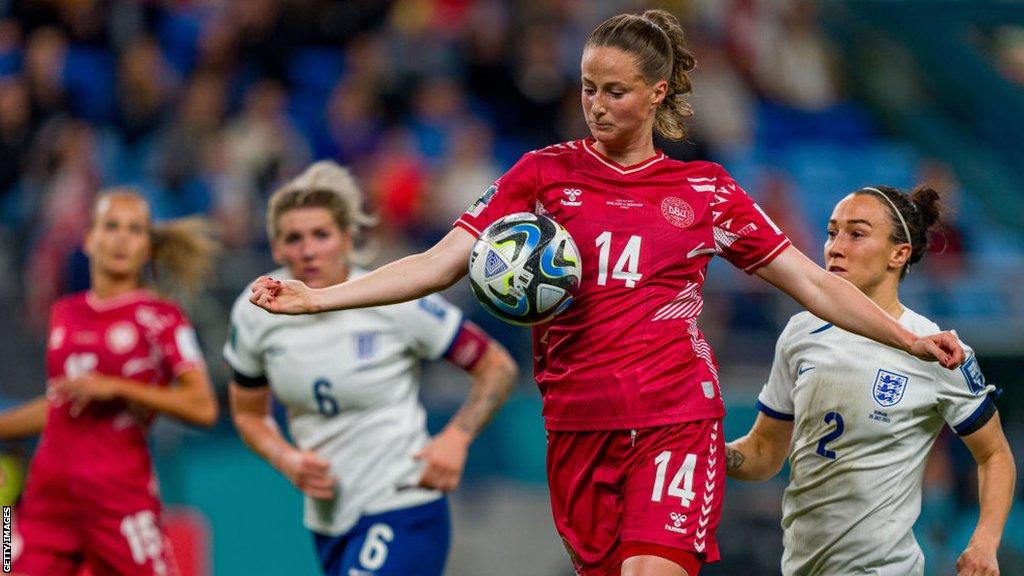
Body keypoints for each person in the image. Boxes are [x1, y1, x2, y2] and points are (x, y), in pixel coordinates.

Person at [249, 11, 964, 576]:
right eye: (588, 88)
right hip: (576, 430)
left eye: (614, 91)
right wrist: (322, 298)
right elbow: (442, 262)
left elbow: (810, 281)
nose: (596, 104)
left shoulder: (704, 190)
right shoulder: (541, 175)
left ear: (657, 94)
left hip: (675, 418)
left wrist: (906, 336)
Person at [225, 161, 518, 576]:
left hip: (403, 503)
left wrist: (456, 437)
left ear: (347, 238)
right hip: (330, 519)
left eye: (321, 235)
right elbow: (249, 414)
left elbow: (497, 366)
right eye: (293, 238)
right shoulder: (257, 308)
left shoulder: (393, 296)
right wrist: (286, 457)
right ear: (274, 247)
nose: (308, 250)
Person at [725, 186, 1015, 576]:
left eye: (856, 234)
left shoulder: (935, 347)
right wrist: (707, 450)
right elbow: (763, 453)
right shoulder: (800, 333)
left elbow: (994, 455)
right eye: (831, 233)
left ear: (899, 253)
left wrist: (985, 543)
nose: (835, 247)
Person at [0, 189, 220, 576]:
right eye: (111, 226)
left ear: (148, 247)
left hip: (119, 498)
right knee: (4, 559)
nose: (120, 237)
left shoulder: (162, 319)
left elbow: (202, 406)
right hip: (49, 498)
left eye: (134, 230)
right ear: (89, 238)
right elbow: (60, 405)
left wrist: (119, 388)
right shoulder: (64, 313)